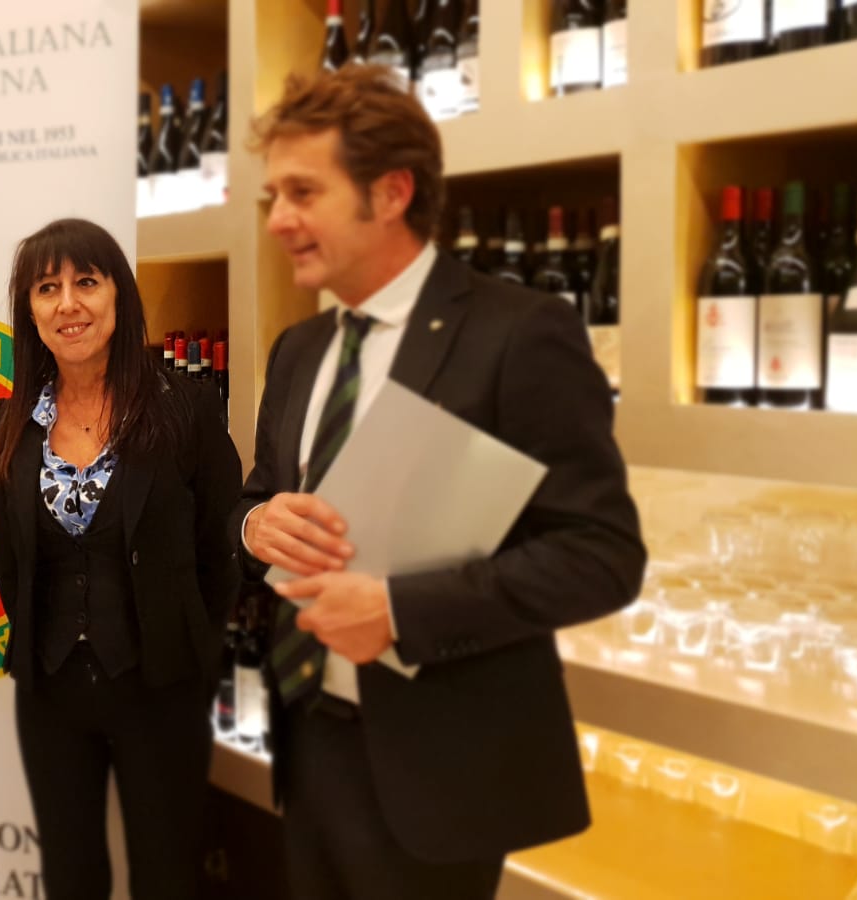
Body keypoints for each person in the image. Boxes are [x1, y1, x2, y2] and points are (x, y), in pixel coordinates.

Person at [234, 66, 646, 899]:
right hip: (305, 740)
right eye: (274, 195)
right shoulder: (300, 350)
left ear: (392, 193)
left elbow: (602, 555)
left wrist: (397, 611)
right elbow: (256, 496)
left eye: (303, 192)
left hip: (441, 771)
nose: (277, 220)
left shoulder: (519, 334)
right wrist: (253, 525)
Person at [0, 218, 242, 899]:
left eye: (87, 282)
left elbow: (222, 546)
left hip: (161, 688)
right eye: (47, 288)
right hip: (50, 692)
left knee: (167, 875)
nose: (68, 304)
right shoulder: (8, 421)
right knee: (70, 877)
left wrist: (191, 644)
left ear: (119, 296)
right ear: (29, 310)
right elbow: (9, 559)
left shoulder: (183, 408)